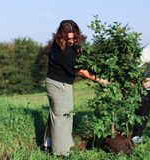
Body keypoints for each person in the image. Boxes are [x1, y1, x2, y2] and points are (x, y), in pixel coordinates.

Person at [41, 20, 108, 156]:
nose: (71, 41)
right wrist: (101, 80)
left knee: (58, 115)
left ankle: (47, 145)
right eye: (68, 38)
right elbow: (81, 71)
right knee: (62, 117)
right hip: (58, 85)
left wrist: (78, 48)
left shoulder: (64, 44)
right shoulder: (62, 51)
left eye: (73, 37)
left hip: (61, 83)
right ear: (62, 36)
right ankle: (61, 153)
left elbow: (76, 50)